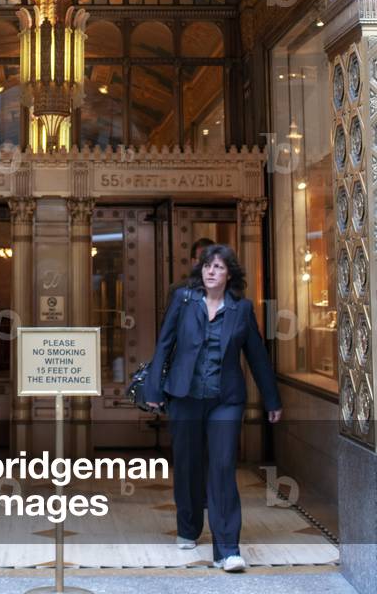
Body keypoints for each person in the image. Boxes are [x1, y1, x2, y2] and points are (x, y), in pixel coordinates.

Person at [144, 244, 282, 573]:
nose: (211, 271)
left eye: (218, 267)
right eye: (207, 266)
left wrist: (272, 399)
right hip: (185, 396)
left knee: (221, 468)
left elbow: (257, 357)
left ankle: (227, 549)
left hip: (226, 400)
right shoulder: (183, 301)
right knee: (189, 463)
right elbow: (165, 344)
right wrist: (153, 389)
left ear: (229, 274)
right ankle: (188, 526)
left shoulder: (242, 309)